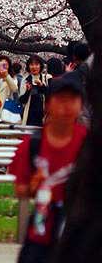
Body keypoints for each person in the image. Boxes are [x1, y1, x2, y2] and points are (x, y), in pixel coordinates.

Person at [10, 77, 87, 263]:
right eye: (61, 99)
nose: (67, 106)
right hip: (41, 229)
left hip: (79, 232)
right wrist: (32, 186)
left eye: (73, 100)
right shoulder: (32, 145)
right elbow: (20, 189)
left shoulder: (89, 144)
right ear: (48, 104)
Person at [20, 55, 50, 127]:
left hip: (43, 116)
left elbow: (50, 95)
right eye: (31, 64)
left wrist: (41, 86)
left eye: (36, 64)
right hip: (29, 117)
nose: (34, 67)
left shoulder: (46, 78)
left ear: (40, 66)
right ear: (28, 66)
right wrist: (28, 91)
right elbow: (22, 100)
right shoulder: (25, 80)